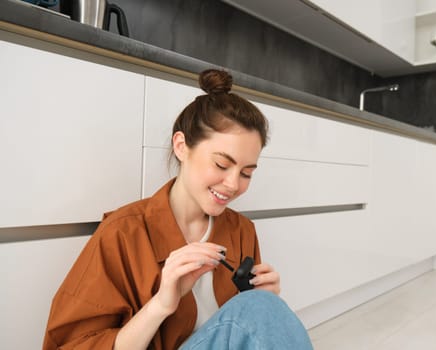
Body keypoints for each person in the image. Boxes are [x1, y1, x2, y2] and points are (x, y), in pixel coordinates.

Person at [43, 69, 313, 349]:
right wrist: (161, 304)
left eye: (246, 173)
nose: (233, 184)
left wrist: (263, 301)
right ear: (182, 146)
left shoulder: (241, 230)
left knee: (263, 308)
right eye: (221, 165)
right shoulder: (123, 233)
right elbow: (74, 344)